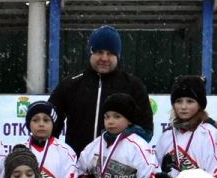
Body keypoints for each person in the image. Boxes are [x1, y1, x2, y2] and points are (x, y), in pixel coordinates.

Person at [48, 25, 152, 155]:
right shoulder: (71, 85)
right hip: (78, 167)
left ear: (118, 56)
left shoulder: (133, 86)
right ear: (91, 52)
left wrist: (117, 144)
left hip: (118, 168)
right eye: (99, 52)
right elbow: (49, 122)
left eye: (110, 53)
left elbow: (146, 130)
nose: (104, 58)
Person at [74, 93, 158, 178]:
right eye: (107, 117)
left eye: (117, 116)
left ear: (129, 120)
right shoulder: (96, 144)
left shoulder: (138, 146)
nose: (110, 121)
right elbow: (79, 168)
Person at [153, 76, 217, 178]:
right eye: (178, 101)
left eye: (190, 101)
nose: (183, 106)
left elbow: (216, 172)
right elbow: (156, 169)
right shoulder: (167, 135)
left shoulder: (209, 133)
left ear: (200, 105)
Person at [18, 102, 79, 178]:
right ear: (29, 124)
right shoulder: (19, 150)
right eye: (35, 120)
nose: (41, 124)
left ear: (53, 124)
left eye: (46, 120)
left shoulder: (66, 152)